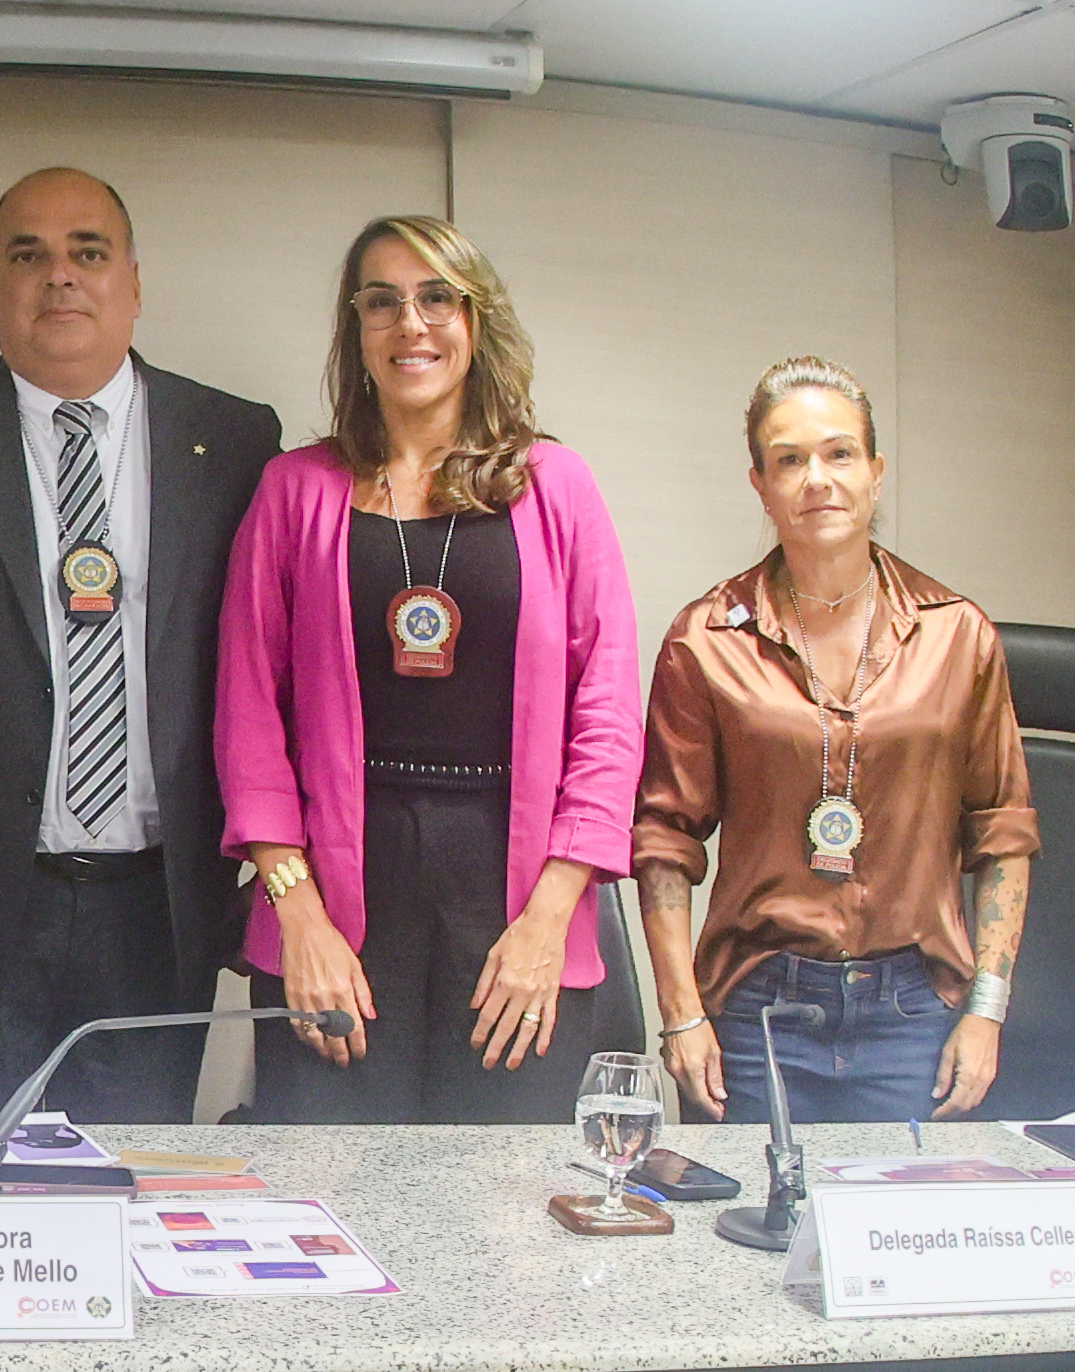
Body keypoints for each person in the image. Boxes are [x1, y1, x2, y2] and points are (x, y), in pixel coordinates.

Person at [0, 169, 279, 1122]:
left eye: (87, 252)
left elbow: (264, 672)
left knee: (130, 1190)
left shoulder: (235, 439)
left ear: (132, 279)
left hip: (156, 910)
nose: (60, 278)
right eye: (27, 255)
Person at [217, 214, 642, 1123]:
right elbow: (247, 713)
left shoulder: (554, 485)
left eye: (435, 298)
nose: (410, 323)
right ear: (355, 332)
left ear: (474, 323)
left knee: (503, 1218)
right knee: (324, 1199)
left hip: (514, 895)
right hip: (334, 898)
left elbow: (606, 715)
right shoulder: (294, 491)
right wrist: (297, 915)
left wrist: (549, 920)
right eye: (382, 302)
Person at [636, 357, 1038, 1125]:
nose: (816, 477)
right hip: (755, 1014)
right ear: (758, 482)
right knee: (746, 1238)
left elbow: (1003, 833)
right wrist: (681, 1016)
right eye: (788, 459)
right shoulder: (706, 639)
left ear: (875, 473)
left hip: (915, 1015)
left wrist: (986, 1010)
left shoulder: (956, 635)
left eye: (838, 453)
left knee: (899, 1239)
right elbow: (663, 839)